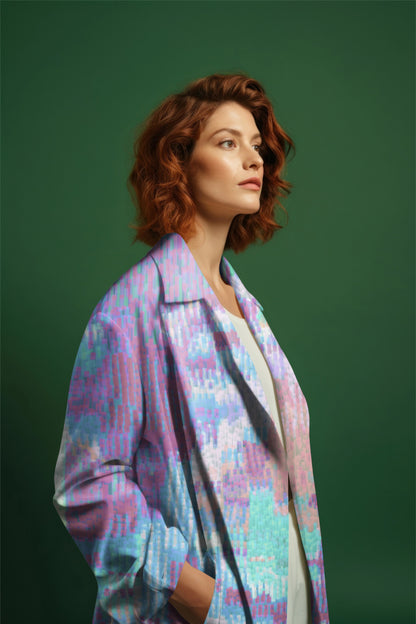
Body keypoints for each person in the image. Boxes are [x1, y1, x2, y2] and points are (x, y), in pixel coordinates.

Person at [53, 73, 330, 624]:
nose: (253, 159)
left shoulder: (246, 308)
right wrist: (194, 592)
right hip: (205, 608)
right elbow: (87, 483)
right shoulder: (131, 311)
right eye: (228, 142)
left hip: (289, 593)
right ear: (179, 161)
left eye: (257, 145)